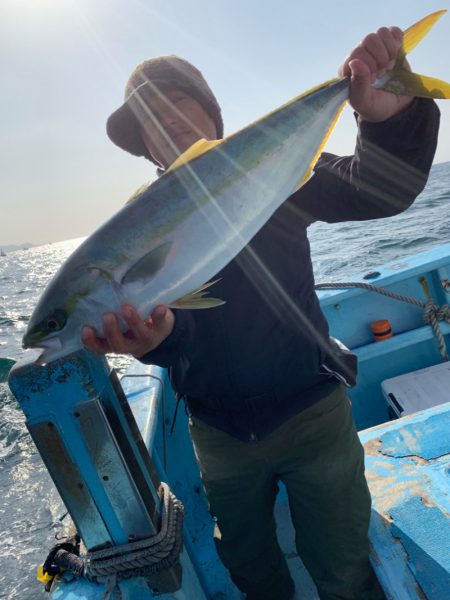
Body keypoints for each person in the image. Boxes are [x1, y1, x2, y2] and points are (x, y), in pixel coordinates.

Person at [82, 24, 440, 600]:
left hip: (312, 412)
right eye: (149, 118)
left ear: (211, 114)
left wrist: (386, 120)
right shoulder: (134, 237)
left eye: (178, 102)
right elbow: (177, 334)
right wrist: (157, 342)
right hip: (219, 433)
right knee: (250, 569)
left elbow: (378, 189)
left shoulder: (272, 175)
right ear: (144, 146)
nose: (166, 120)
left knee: (343, 564)